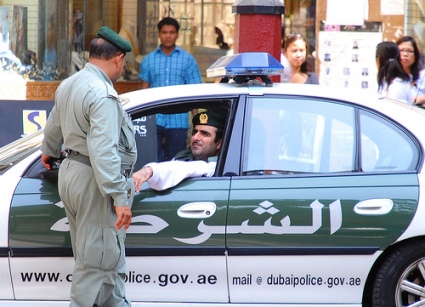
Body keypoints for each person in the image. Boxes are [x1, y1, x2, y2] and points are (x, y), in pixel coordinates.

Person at [40, 26, 136, 307]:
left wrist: (48, 152)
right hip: (95, 179)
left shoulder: (70, 83)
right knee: (96, 264)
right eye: (124, 63)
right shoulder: (103, 93)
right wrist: (119, 196)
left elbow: (53, 128)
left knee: (102, 260)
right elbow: (104, 151)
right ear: (118, 58)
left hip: (72, 172)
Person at [138, 17, 202, 162]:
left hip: (178, 121)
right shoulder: (148, 60)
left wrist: (196, 123)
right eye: (164, 32)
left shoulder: (188, 60)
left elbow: (195, 93)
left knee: (177, 161)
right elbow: (144, 91)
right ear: (159, 34)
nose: (168, 36)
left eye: (172, 32)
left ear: (177, 34)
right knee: (152, 161)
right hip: (154, 119)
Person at [132, 110, 225, 192]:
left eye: (204, 134)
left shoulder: (224, 164)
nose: (195, 138)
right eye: (194, 132)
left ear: (219, 143)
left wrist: (150, 170)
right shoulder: (182, 156)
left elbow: (195, 167)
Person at [396, 36, 425, 106]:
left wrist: (422, 99)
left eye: (410, 51)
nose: (405, 54)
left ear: (415, 56)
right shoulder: (388, 77)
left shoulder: (422, 77)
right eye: (401, 50)